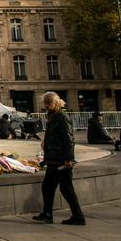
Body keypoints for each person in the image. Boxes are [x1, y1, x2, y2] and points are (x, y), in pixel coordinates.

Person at [33, 92, 85, 226]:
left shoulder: (61, 117)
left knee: (66, 188)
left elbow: (69, 139)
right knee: (47, 187)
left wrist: (69, 158)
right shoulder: (53, 116)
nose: (46, 106)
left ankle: (78, 216)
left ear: (56, 103)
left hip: (61, 159)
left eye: (48, 103)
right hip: (54, 159)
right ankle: (47, 213)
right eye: (45, 103)